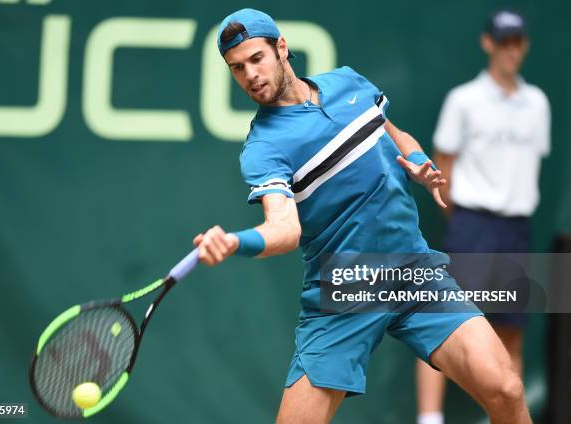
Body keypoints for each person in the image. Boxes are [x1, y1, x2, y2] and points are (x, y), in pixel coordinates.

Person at [194, 8, 532, 424]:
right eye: (237, 68)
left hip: (414, 271)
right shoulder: (263, 148)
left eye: (256, 59)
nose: (250, 75)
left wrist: (419, 162)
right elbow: (284, 228)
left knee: (507, 388)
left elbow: (395, 135)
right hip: (345, 290)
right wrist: (236, 242)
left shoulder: (348, 82)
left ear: (281, 48)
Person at [415, 9, 550, 424]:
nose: (511, 50)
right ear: (488, 44)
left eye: (518, 42)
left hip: (516, 229)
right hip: (472, 227)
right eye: (503, 42)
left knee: (511, 330)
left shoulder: (537, 103)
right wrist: (466, 220)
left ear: (524, 45)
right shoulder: (464, 100)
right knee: (444, 322)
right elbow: (444, 170)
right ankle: (430, 418)